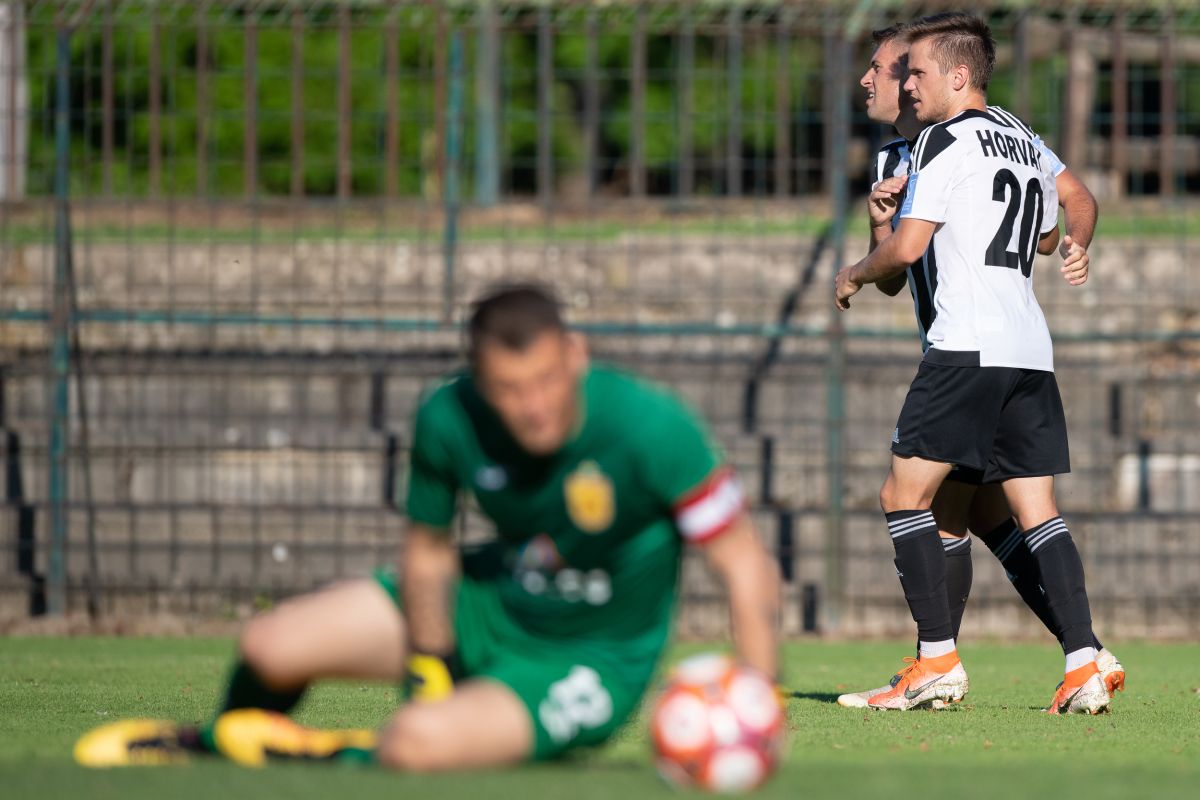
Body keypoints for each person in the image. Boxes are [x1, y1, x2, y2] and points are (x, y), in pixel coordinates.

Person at [75, 284, 781, 768]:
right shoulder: (448, 417)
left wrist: (758, 702)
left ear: (575, 355)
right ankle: (211, 746)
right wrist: (431, 661)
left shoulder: (651, 428)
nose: (532, 407)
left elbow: (742, 563)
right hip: (491, 603)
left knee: (417, 743)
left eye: (545, 381)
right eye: (509, 389)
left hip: (593, 659)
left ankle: (319, 756)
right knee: (269, 644)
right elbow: (427, 548)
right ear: (477, 379)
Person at [837, 19, 1123, 709]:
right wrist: (882, 226)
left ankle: (937, 661)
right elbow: (1049, 228)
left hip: (965, 348)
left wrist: (852, 271)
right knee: (1006, 512)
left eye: (902, 69)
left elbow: (906, 255)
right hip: (1027, 349)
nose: (887, 80)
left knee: (904, 498)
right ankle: (1084, 658)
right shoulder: (1012, 133)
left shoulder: (939, 141)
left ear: (951, 76)